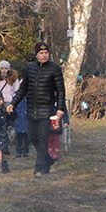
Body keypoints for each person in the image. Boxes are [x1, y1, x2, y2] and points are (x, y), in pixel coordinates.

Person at [9, 41, 66, 177]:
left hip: (46, 110)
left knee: (43, 138)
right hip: (31, 109)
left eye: (46, 53)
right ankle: (47, 160)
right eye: (41, 53)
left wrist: (60, 108)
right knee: (32, 137)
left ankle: (38, 168)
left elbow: (60, 90)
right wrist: (13, 103)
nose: (44, 55)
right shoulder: (30, 69)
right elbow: (23, 89)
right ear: (36, 55)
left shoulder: (54, 69)